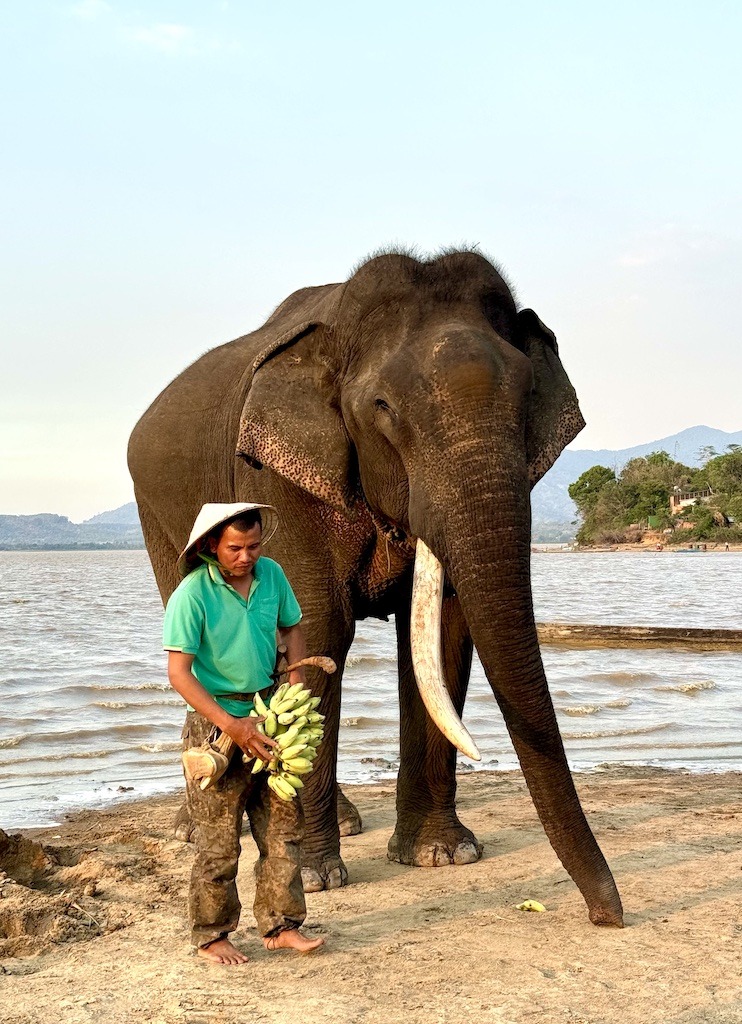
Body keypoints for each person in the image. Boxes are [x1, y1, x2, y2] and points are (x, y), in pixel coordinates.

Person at [163, 502, 324, 965]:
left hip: (271, 712)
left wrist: (294, 687)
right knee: (218, 841)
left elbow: (293, 626)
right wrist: (232, 726)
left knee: (283, 830)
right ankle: (213, 935)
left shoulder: (271, 575)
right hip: (216, 725)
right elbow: (179, 673)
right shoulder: (192, 594)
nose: (246, 556)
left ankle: (281, 926)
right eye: (235, 547)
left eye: (254, 546)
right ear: (212, 545)